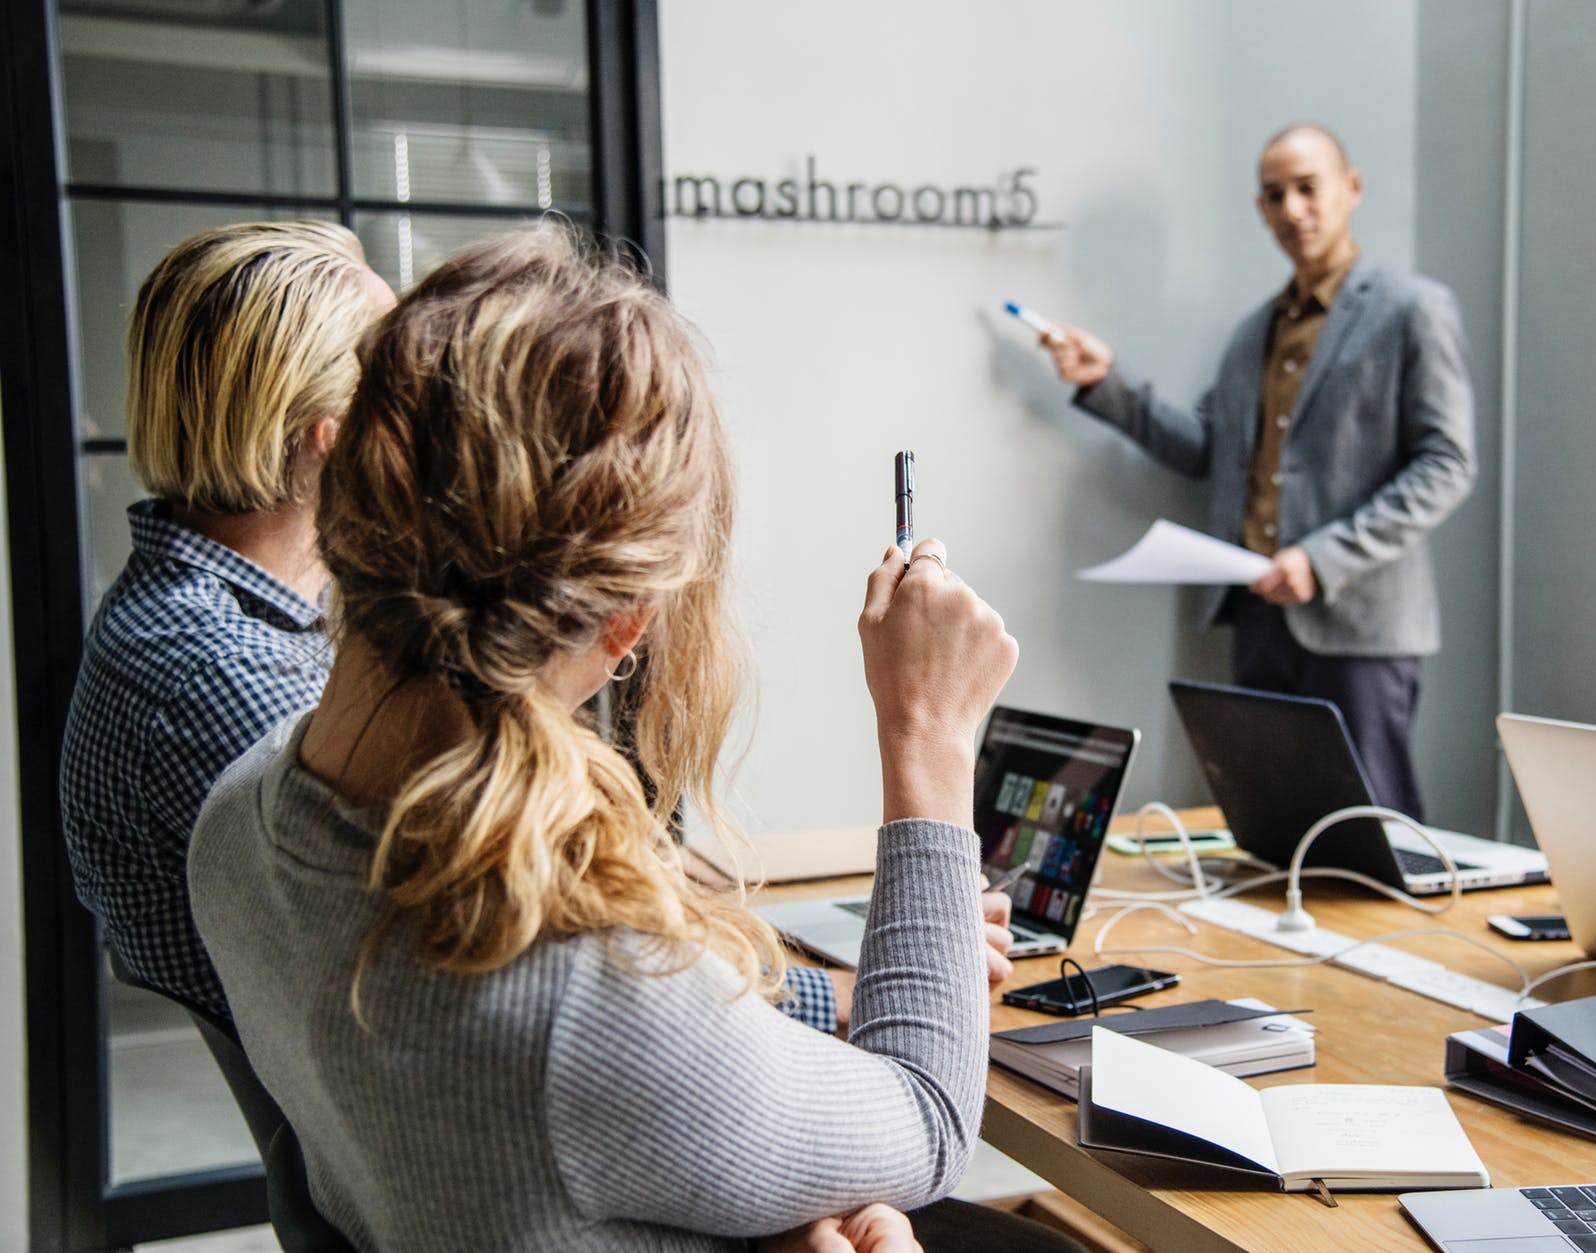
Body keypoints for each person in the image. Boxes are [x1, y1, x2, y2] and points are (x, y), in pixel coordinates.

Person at [188, 225, 1074, 1251]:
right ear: (626, 625)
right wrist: (925, 728)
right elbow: (923, 1121)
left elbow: (493, 1173)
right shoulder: (575, 987)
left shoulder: (237, 826)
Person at [1040, 123, 1476, 819]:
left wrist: (1325, 556)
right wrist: (1109, 382)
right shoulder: (1254, 333)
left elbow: (1447, 463)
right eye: (1276, 195)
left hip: (1356, 619)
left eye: (1309, 188)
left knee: (1371, 826)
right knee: (1273, 821)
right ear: (1261, 209)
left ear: (1351, 189)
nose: (1293, 209)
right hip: (1257, 619)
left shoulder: (1412, 309)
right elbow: (1208, 449)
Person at [60, 220, 395, 1019]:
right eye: (401, 382)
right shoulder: (221, 668)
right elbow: (427, 938)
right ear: (336, 438)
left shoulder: (216, 609)